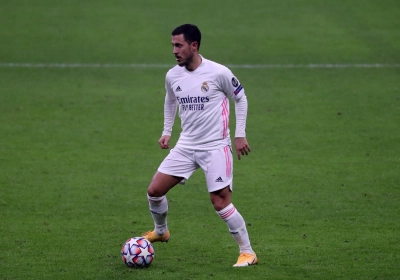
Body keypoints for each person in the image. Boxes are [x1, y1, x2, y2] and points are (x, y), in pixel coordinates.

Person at [142, 23, 257, 267]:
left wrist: (240, 134)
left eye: (179, 45)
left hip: (216, 147)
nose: (174, 51)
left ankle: (248, 252)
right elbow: (170, 101)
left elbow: (241, 97)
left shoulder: (218, 72)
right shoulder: (173, 75)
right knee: (154, 192)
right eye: (173, 45)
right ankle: (161, 231)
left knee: (220, 202)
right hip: (186, 145)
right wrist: (166, 131)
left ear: (194, 46)